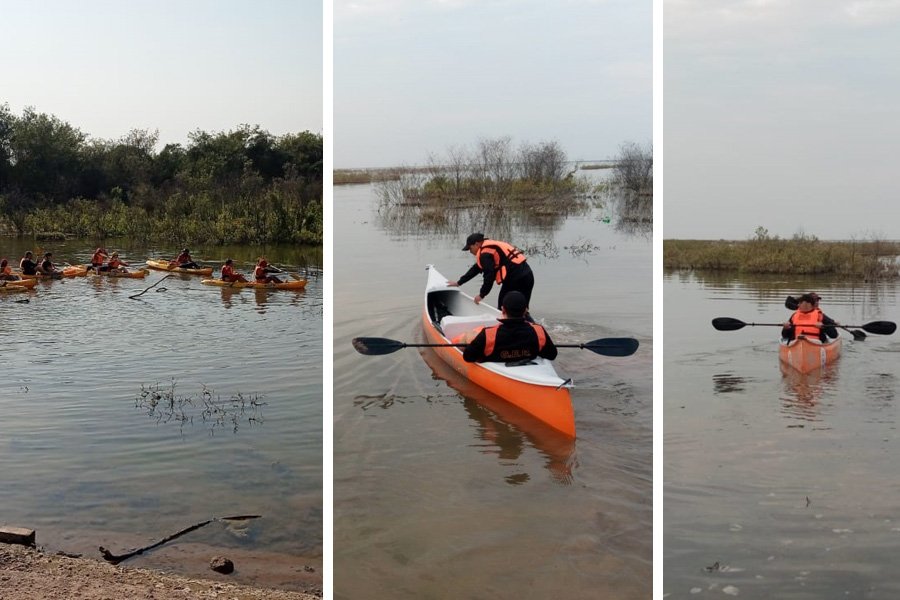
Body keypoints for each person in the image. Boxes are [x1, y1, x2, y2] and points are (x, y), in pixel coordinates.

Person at [462, 291, 558, 363]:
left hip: (498, 373)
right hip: (527, 367)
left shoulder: (488, 334)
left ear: (503, 310)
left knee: (468, 335)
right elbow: (552, 355)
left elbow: (467, 357)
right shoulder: (538, 330)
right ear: (525, 311)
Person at [448, 233, 534, 310]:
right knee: (522, 309)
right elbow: (476, 268)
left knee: (503, 307)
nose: (470, 252)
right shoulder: (489, 248)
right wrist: (459, 282)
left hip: (516, 279)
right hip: (528, 276)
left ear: (477, 244)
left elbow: (489, 276)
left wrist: (482, 294)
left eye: (470, 248)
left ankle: (504, 326)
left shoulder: (485, 254)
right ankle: (533, 326)